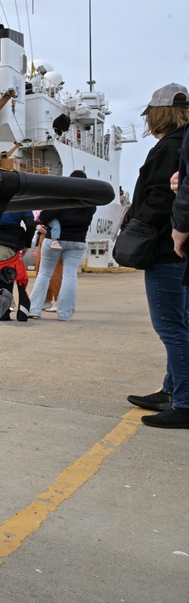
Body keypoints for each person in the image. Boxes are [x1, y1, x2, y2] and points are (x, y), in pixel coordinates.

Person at [126, 83, 189, 429]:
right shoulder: (184, 145)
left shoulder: (168, 148)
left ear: (158, 114)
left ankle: (184, 402)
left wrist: (136, 226)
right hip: (178, 249)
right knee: (182, 322)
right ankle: (172, 389)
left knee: (170, 326)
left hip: (166, 249)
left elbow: (160, 200)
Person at [27, 171, 95, 321]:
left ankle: (34, 310)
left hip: (54, 240)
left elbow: (44, 217)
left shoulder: (64, 199)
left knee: (44, 274)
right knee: (70, 276)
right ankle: (65, 314)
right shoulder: (90, 204)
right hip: (77, 242)